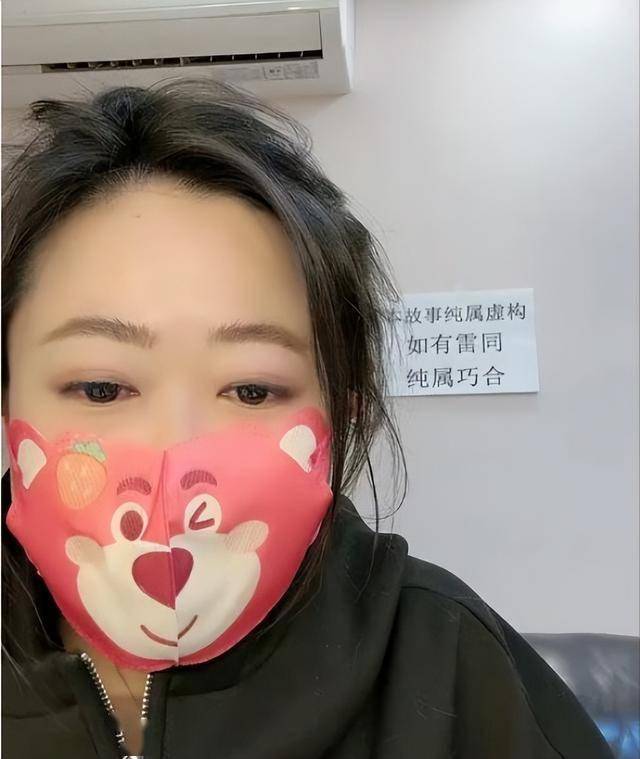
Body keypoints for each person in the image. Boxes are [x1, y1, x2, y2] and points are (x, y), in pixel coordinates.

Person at [1, 78, 613, 759]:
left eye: (252, 390)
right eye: (100, 388)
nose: (176, 447)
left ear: (343, 410)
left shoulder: (454, 665)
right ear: (8, 399)